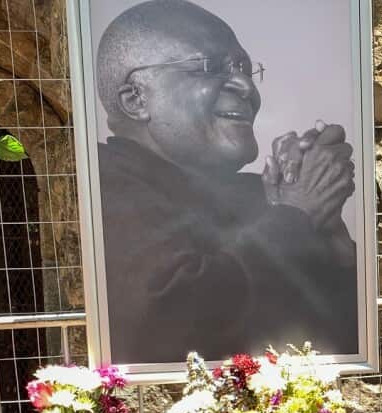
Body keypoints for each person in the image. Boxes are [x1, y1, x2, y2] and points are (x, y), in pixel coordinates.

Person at [95, 0, 357, 363]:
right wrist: (297, 215)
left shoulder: (256, 194)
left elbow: (335, 331)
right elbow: (163, 321)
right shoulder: (104, 182)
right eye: (210, 68)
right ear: (136, 99)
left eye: (246, 69)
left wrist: (328, 230)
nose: (245, 86)